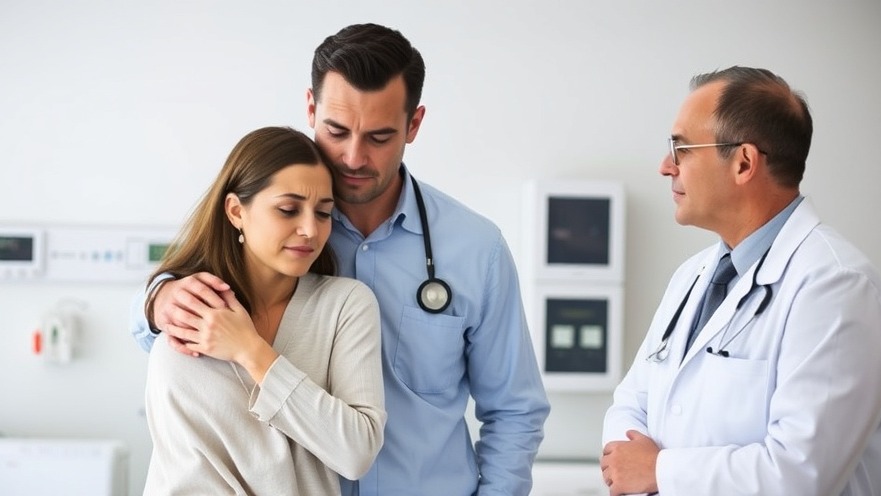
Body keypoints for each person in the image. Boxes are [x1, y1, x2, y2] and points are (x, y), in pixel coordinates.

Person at [131, 23, 550, 495]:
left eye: (379, 137)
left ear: (414, 125)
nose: (353, 156)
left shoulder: (476, 249)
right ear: (311, 108)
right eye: (336, 130)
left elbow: (515, 410)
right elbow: (168, 319)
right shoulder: (273, 224)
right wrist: (159, 297)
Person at [600, 66, 881, 495]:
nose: (664, 167)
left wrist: (661, 472)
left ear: (744, 162)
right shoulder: (692, 276)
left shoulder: (835, 285)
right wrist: (637, 465)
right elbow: (630, 404)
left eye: (682, 149)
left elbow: (800, 474)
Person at [141, 126, 386, 495]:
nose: (310, 230)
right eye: (288, 210)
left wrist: (251, 352)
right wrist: (156, 297)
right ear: (236, 211)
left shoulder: (346, 305)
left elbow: (356, 453)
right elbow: (183, 476)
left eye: (323, 213)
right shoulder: (186, 313)